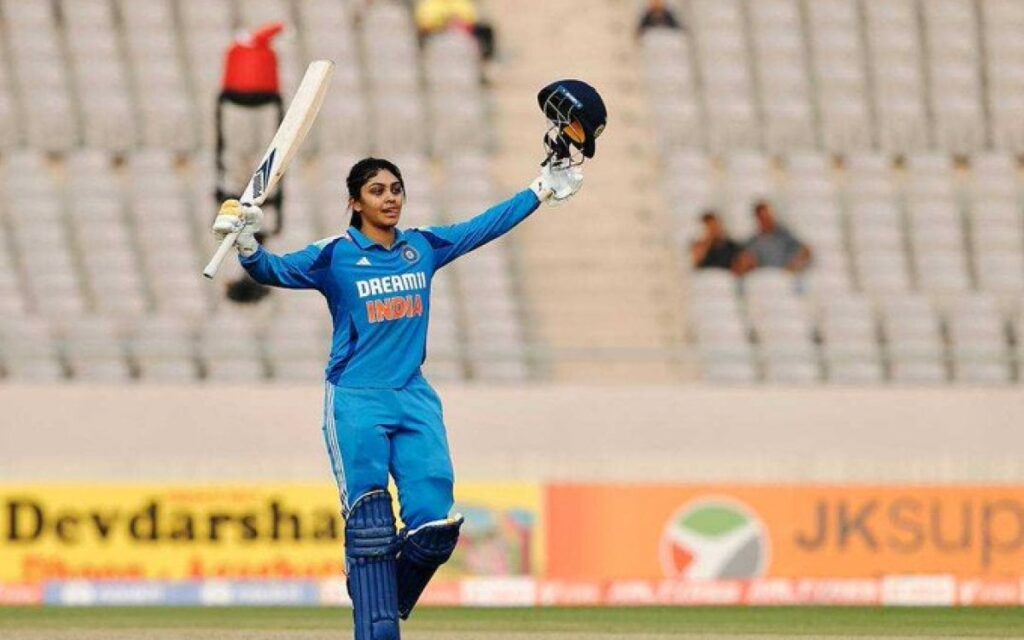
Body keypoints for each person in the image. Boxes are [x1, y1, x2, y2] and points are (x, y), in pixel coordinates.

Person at [211, 158, 582, 640]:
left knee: (436, 529)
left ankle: (375, 591)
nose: (389, 198)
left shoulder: (421, 247)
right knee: (371, 527)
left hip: (414, 398)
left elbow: (483, 227)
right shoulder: (336, 255)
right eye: (376, 190)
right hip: (356, 399)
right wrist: (245, 242)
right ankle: (377, 615)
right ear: (355, 202)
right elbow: (273, 270)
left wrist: (540, 189)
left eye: (396, 189)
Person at [734, 200, 812, 275]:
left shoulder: (783, 234)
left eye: (769, 215)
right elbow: (744, 262)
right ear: (758, 219)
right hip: (763, 277)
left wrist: (793, 267)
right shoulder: (754, 241)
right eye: (763, 217)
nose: (768, 219)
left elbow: (806, 251)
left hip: (784, 275)